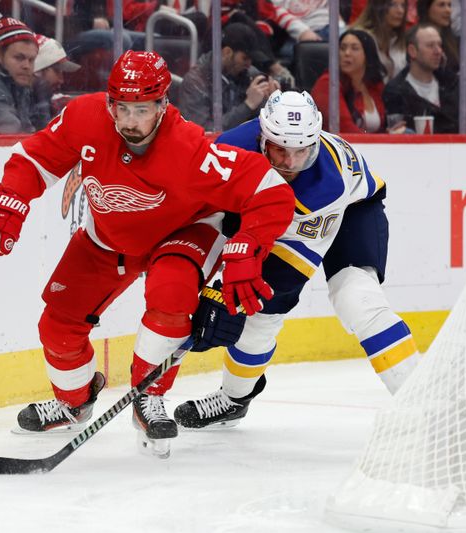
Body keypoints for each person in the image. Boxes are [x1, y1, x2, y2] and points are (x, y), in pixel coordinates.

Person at [0, 51, 295, 457]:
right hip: (109, 235)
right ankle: (73, 404)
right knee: (57, 325)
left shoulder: (189, 149)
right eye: (121, 108)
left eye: (142, 110)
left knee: (172, 295)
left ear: (163, 105)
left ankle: (150, 396)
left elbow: (270, 190)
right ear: (109, 103)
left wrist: (247, 247)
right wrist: (7, 201)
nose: (129, 121)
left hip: (180, 232)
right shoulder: (84, 117)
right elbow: (34, 158)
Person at [174, 90, 421, 430]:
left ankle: (425, 402)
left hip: (348, 211)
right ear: (263, 139)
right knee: (255, 321)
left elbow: (281, 255)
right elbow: (210, 213)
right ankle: (234, 399)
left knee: (357, 299)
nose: (290, 164)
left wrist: (227, 283)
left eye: (302, 151)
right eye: (280, 150)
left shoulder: (326, 183)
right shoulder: (230, 148)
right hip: (278, 215)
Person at [179, 23, 280, 131]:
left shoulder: (250, 74)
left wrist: (273, 102)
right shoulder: (195, 81)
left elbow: (267, 124)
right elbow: (204, 131)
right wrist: (248, 105)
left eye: (251, 59)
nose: (249, 64)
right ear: (227, 52)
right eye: (245, 58)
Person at [383, 23, 459, 133]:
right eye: (430, 46)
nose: (438, 51)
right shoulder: (395, 91)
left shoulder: (452, 83)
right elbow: (396, 130)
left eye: (439, 45)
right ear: (412, 51)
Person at [312, 30, 390, 133]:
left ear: (368, 54)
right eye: (343, 48)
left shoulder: (375, 85)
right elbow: (344, 129)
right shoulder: (328, 84)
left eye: (355, 48)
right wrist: (383, 140)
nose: (347, 53)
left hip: (371, 147)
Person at [30, 35, 80, 130]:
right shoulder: (22, 102)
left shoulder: (55, 102)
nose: (61, 80)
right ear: (37, 71)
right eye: (57, 71)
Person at [351, 0, 409, 82]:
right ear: (377, 7)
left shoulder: (400, 40)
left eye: (403, 6)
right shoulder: (360, 39)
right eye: (392, 4)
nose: (400, 11)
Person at [417, 0, 458, 74]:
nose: (448, 10)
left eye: (449, 5)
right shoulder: (415, 38)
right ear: (427, 9)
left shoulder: (453, 39)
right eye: (441, 5)